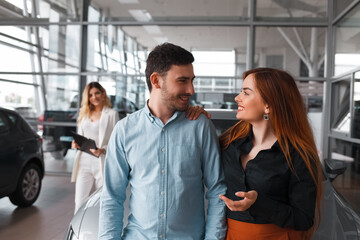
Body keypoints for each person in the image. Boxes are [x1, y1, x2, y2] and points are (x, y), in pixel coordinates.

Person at [98, 42, 227, 239]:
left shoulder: (200, 126)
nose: (191, 89)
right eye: (182, 81)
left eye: (192, 80)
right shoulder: (125, 130)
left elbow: (218, 191)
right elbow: (112, 197)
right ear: (156, 81)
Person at [218, 68, 323, 240]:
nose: (237, 98)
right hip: (231, 234)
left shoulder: (298, 155)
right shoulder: (228, 143)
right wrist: (195, 115)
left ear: (268, 105)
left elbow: (304, 219)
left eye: (246, 93)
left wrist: (259, 204)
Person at [71, 82, 119, 213]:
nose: (94, 97)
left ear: (103, 94)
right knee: (79, 201)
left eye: (97, 93)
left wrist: (103, 149)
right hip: (84, 162)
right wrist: (75, 144)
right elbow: (80, 137)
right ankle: (77, 232)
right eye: (90, 95)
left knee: (102, 200)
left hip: (101, 161)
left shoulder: (112, 114)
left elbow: (116, 141)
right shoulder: (83, 115)